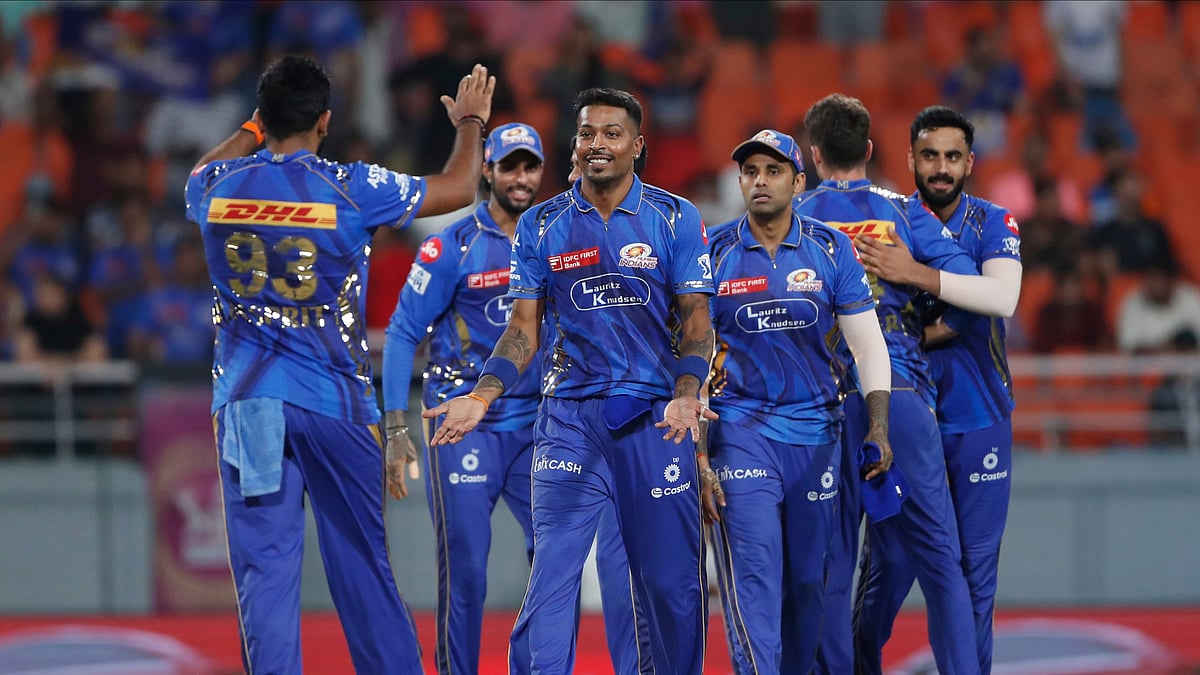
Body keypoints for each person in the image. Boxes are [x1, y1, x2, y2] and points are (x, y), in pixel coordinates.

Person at [184, 54, 495, 674]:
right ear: (325, 121)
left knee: (265, 575)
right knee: (362, 565)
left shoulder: (215, 187)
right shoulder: (350, 187)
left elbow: (200, 167)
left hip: (249, 405)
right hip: (336, 404)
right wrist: (469, 124)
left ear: (262, 117)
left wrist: (253, 127)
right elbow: (459, 187)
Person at [425, 87, 715, 675]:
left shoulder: (675, 217)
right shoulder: (541, 224)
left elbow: (697, 322)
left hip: (654, 420)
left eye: (611, 133)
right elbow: (522, 331)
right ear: (575, 144)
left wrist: (687, 394)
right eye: (586, 133)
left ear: (639, 144)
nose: (597, 144)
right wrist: (483, 395)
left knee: (669, 585)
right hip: (568, 421)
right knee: (551, 576)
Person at [792, 94, 981, 675]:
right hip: (901, 395)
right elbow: (972, 287)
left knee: (831, 562)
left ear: (813, 154)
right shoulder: (904, 211)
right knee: (942, 562)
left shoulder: (793, 216)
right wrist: (930, 328)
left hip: (825, 402)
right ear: (870, 150)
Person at [705, 129, 892, 674]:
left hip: (817, 437)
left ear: (798, 180)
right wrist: (697, 450)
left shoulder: (831, 248)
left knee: (810, 580)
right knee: (755, 574)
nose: (760, 181)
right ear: (739, 180)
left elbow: (867, 345)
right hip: (741, 433)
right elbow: (690, 351)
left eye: (773, 171)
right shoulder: (710, 251)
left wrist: (877, 426)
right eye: (750, 172)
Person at [850, 105, 1024, 673]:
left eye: (953, 156)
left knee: (974, 571)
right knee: (891, 564)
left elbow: (1002, 299)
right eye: (929, 155)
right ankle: (857, 662)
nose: (941, 167)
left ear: (970, 162)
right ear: (910, 160)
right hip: (903, 411)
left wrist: (915, 274)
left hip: (978, 419)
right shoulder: (884, 218)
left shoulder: (995, 223)